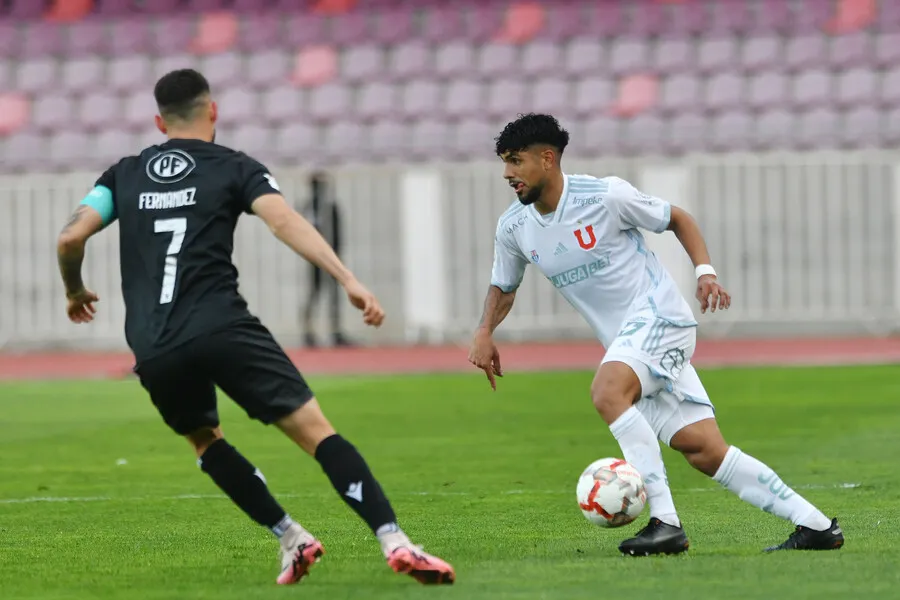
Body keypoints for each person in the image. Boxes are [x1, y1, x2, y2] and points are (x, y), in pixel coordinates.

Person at [55, 68, 455, 586]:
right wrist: (347, 279)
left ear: (159, 121)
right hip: (222, 325)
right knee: (316, 434)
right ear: (213, 110)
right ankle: (394, 541)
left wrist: (74, 290)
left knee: (206, 441)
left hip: (154, 343)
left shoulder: (123, 174)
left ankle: (291, 538)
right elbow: (283, 220)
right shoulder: (234, 167)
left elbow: (69, 240)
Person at [467, 113, 844, 556]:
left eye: (515, 161)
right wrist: (485, 330)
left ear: (547, 159)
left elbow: (676, 218)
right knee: (704, 449)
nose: (507, 173)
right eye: (504, 163)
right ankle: (816, 526)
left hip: (661, 319)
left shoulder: (605, 195)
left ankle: (665, 524)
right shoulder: (514, 226)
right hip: (630, 344)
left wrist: (705, 273)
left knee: (608, 393)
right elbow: (504, 285)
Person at [298, 171, 352, 347]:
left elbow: (338, 234)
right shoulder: (307, 207)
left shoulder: (331, 207)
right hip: (314, 259)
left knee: (334, 294)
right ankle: (308, 331)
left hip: (331, 258)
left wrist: (335, 258)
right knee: (314, 293)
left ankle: (335, 331)